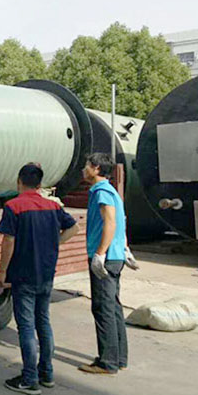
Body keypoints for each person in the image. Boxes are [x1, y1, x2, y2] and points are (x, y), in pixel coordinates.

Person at [0, 163, 79, 395]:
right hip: (46, 274)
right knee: (43, 322)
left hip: (23, 275)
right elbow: (74, 229)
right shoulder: (53, 206)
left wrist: (1, 272)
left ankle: (29, 379)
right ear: (40, 184)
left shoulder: (13, 206)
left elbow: (8, 240)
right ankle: (46, 374)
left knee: (26, 327)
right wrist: (53, 242)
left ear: (19, 181)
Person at [79, 153, 129, 374]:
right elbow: (121, 220)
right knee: (113, 306)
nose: (84, 169)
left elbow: (110, 222)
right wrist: (124, 247)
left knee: (103, 307)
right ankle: (119, 358)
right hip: (114, 255)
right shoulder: (111, 190)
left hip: (106, 258)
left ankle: (107, 362)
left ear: (97, 168)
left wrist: (100, 253)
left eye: (87, 165)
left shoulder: (102, 192)